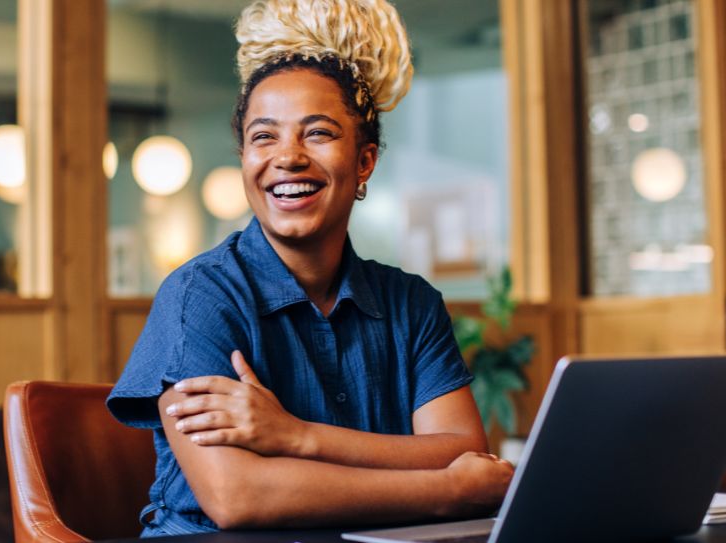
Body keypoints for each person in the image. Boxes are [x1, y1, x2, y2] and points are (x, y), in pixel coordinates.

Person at [107, 0, 514, 536]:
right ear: (245, 161)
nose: (288, 157)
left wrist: (296, 436)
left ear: (365, 161)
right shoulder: (199, 297)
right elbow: (237, 496)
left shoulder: (412, 303)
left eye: (318, 133)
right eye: (264, 136)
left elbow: (462, 449)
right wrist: (449, 491)